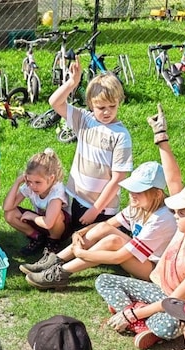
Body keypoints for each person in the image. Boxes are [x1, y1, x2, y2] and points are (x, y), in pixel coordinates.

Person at [24, 104, 180, 289]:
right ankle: (55, 261)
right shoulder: (139, 206)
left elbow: (118, 256)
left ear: (157, 194)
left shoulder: (161, 218)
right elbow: (107, 225)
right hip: (143, 257)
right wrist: (79, 234)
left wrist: (83, 253)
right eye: (131, 189)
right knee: (102, 229)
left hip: (155, 270)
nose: (131, 195)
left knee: (113, 241)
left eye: (138, 191)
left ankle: (61, 273)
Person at [96, 175, 185, 350]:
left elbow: (174, 300)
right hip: (157, 290)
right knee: (104, 280)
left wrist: (133, 314)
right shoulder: (184, 230)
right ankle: (142, 325)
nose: (174, 215)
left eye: (181, 213)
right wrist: (162, 146)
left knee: (170, 326)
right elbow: (173, 179)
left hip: (176, 305)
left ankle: (135, 316)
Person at [48, 63, 133, 231]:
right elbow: (55, 103)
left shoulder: (121, 136)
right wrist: (73, 82)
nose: (107, 112)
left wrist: (95, 210)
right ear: (90, 104)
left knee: (92, 248)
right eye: (101, 108)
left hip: (102, 208)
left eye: (112, 106)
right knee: (76, 238)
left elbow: (118, 179)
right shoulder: (84, 120)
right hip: (79, 199)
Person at [2, 148, 70, 256]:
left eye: (38, 182)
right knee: (9, 214)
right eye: (29, 181)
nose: (33, 186)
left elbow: (49, 223)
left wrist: (31, 216)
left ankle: (53, 243)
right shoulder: (31, 186)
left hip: (59, 228)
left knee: (57, 216)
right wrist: (17, 182)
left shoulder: (57, 191)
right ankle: (37, 237)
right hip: (42, 221)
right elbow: (7, 207)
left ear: (51, 178)